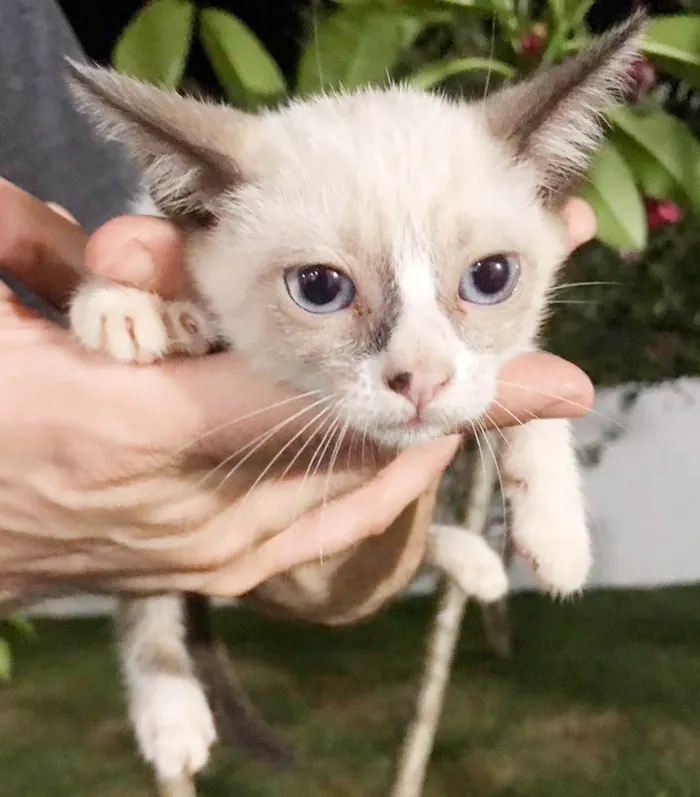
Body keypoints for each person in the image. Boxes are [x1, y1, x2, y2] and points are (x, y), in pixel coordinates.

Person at [0, 0, 596, 607]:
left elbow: (330, 591)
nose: (421, 369)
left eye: (489, 278)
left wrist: (529, 439)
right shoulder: (205, 233)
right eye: (321, 286)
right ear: (203, 212)